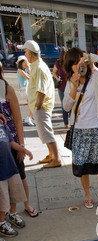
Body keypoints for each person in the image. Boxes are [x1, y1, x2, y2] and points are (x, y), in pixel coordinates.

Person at [63, 47, 98, 211]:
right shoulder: (70, 84)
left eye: (81, 62)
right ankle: (88, 196)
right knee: (83, 167)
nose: (79, 66)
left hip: (97, 129)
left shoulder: (97, 79)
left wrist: (91, 57)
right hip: (80, 130)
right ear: (70, 67)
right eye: (75, 63)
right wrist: (73, 86)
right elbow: (66, 107)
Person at [0, 62, 38, 218]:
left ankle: (26, 204)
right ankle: (6, 212)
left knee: (20, 176)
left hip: (12, 143)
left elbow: (17, 120)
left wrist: (21, 145)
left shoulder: (6, 89)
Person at [18, 40, 61, 169]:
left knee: (47, 133)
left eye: (25, 52)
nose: (25, 54)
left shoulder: (39, 67)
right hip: (39, 106)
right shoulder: (37, 66)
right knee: (44, 133)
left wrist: (37, 106)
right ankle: (51, 155)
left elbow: (41, 92)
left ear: (30, 54)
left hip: (41, 107)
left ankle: (56, 159)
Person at [0, 119, 33, 241]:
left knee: (14, 194)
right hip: (1, 172)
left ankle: (12, 214)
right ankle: (1, 222)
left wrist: (22, 149)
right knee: (3, 200)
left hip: (10, 166)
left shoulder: (3, 126)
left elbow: (10, 142)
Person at [52, 50, 69, 129]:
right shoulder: (58, 63)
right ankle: (66, 123)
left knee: (71, 105)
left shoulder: (70, 63)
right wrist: (57, 78)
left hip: (70, 86)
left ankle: (72, 122)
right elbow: (54, 72)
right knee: (63, 105)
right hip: (61, 86)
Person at [16, 55, 34, 126]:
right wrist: (28, 68)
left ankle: (29, 117)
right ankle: (28, 118)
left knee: (31, 103)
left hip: (27, 88)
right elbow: (30, 77)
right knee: (31, 103)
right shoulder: (20, 71)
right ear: (21, 63)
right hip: (25, 89)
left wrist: (28, 68)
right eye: (25, 62)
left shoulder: (23, 70)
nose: (26, 64)